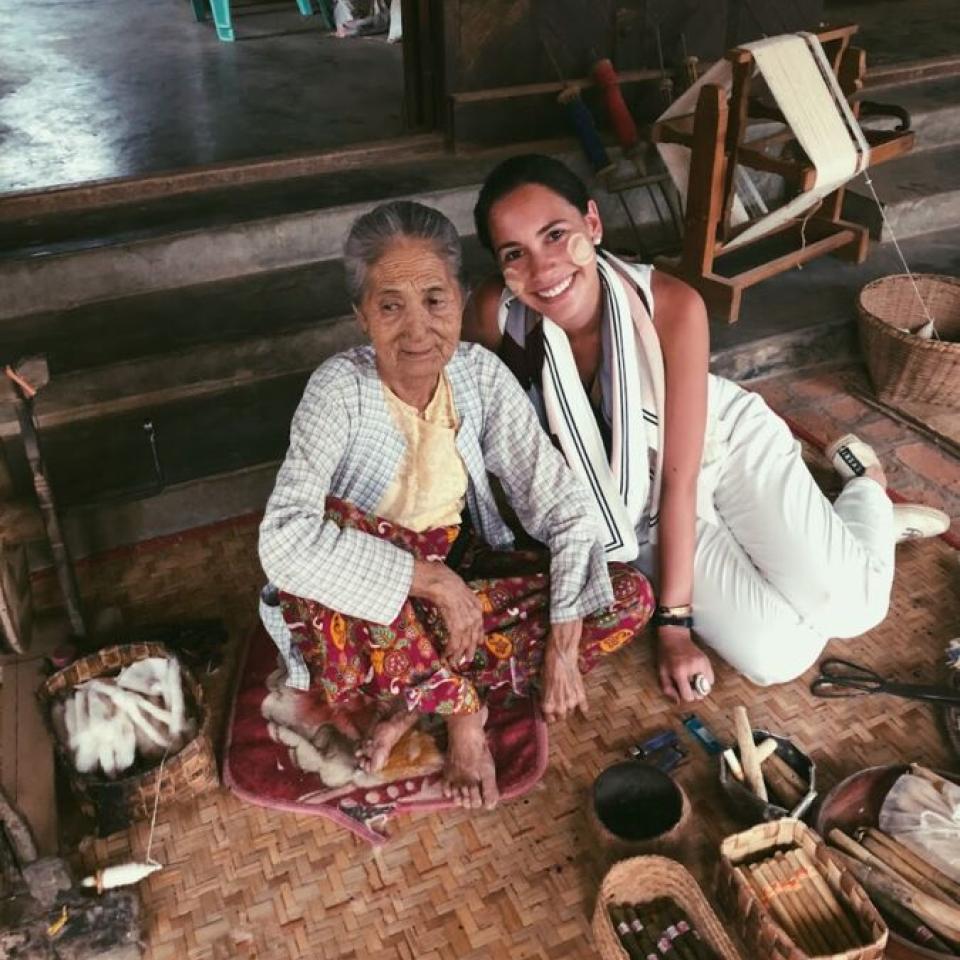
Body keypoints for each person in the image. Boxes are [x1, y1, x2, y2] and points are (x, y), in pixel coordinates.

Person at [465, 154, 950, 702]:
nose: (543, 268)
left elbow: (681, 476)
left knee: (855, 606)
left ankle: (867, 491)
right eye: (515, 253)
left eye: (556, 235)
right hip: (628, 503)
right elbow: (501, 437)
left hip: (719, 444)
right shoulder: (494, 315)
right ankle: (846, 539)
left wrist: (673, 624)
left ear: (593, 224)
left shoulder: (671, 304)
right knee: (779, 656)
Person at [258, 200, 654, 812]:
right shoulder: (338, 389)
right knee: (332, 527)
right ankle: (465, 712)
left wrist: (562, 647)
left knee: (626, 597)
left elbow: (566, 510)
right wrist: (429, 580)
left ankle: (415, 700)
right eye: (390, 305)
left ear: (462, 300)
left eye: (435, 300)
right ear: (361, 315)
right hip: (362, 614)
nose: (417, 329)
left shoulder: (480, 378)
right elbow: (284, 541)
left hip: (451, 589)